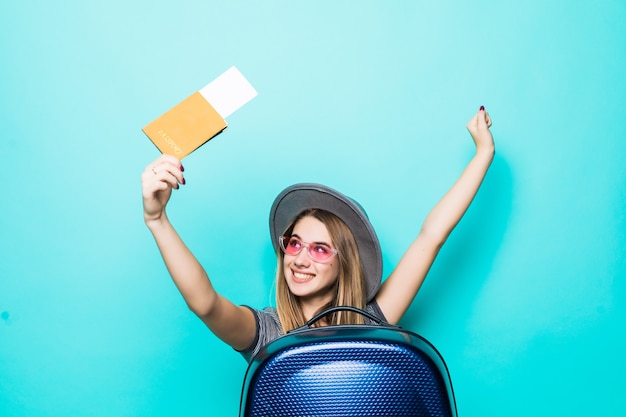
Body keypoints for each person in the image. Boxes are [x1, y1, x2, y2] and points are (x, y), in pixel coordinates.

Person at [141, 106, 494, 361]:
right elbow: (205, 304)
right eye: (294, 243)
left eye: (321, 249)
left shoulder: (370, 322)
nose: (300, 258)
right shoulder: (267, 333)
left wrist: (483, 154)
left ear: (345, 263)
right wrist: (157, 220)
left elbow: (431, 237)